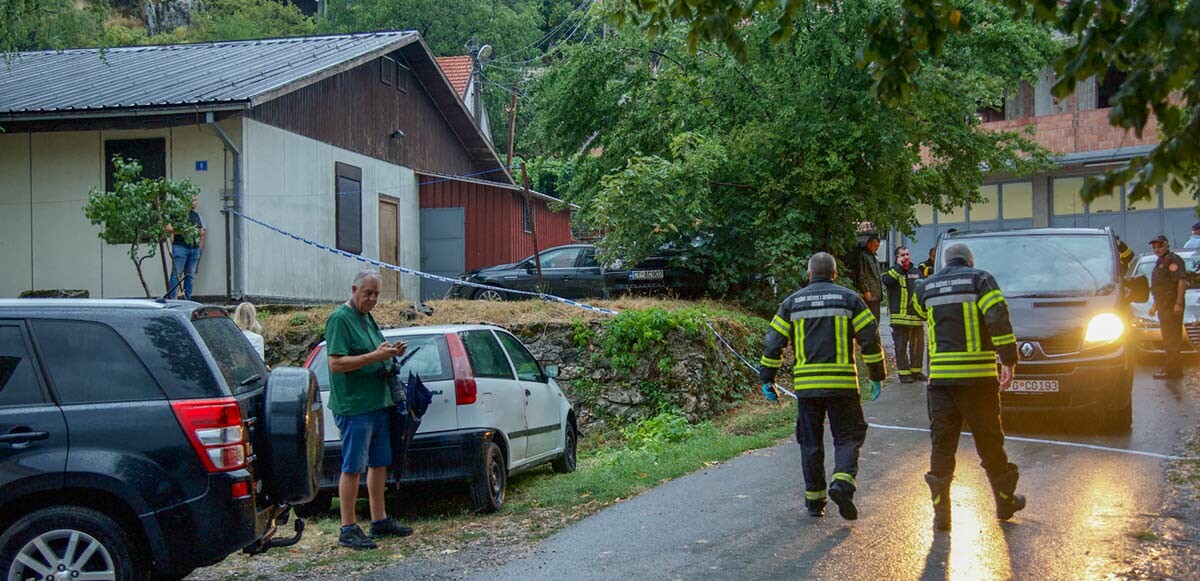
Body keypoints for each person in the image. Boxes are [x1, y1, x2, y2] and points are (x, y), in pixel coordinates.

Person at [759, 252, 886, 520]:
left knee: (810, 442)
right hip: (842, 385)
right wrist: (876, 374)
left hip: (807, 388)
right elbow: (870, 339)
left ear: (808, 274)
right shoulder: (850, 299)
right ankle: (842, 482)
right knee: (848, 436)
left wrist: (766, 377)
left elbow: (773, 343)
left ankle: (815, 502)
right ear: (834, 273)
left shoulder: (791, 303)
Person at [912, 243, 1024, 531]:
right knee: (989, 443)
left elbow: (918, 311)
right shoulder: (980, 279)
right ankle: (1005, 502)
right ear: (970, 260)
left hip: (941, 381)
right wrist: (1009, 360)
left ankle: (942, 515)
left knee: (942, 445)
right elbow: (997, 318)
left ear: (946, 262)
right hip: (978, 379)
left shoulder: (927, 286)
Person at [325, 270, 413, 550]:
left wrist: (390, 352)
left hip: (377, 401)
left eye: (376, 294)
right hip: (355, 406)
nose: (372, 299)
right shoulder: (340, 319)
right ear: (354, 289)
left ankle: (379, 519)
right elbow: (336, 363)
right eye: (368, 293)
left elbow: (374, 350)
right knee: (353, 466)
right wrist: (376, 356)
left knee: (379, 462)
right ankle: (348, 528)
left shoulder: (366, 317)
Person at [882, 246, 926, 383]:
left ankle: (916, 372)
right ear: (897, 257)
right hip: (899, 319)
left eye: (907, 254)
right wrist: (899, 267)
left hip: (916, 317)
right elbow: (887, 281)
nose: (906, 257)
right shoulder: (891, 272)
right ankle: (904, 374)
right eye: (902, 255)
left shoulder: (916, 272)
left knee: (918, 347)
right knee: (901, 347)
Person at [1148, 235, 1187, 379]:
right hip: (1163, 305)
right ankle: (1172, 369)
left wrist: (1178, 303)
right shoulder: (1160, 262)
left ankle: (1173, 371)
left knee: (1172, 339)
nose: (1157, 249)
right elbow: (1160, 287)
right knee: (1168, 338)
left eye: (1160, 246)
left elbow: (1181, 282)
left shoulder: (1173, 260)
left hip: (1171, 305)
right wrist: (1155, 305)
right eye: (1155, 247)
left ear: (1167, 246)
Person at [167, 195, 206, 300]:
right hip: (180, 247)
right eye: (195, 200)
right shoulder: (177, 213)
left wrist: (199, 249)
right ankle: (172, 299)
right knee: (176, 274)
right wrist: (184, 231)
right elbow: (169, 228)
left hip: (194, 248)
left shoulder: (195, 215)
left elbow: (201, 232)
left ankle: (187, 299)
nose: (197, 202)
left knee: (190, 275)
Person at [853, 234, 884, 321]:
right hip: (870, 293)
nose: (877, 248)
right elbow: (861, 274)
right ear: (869, 244)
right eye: (875, 246)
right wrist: (866, 290)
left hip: (876, 294)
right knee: (871, 319)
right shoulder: (863, 256)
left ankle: (876, 333)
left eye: (878, 246)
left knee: (877, 318)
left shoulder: (873, 257)